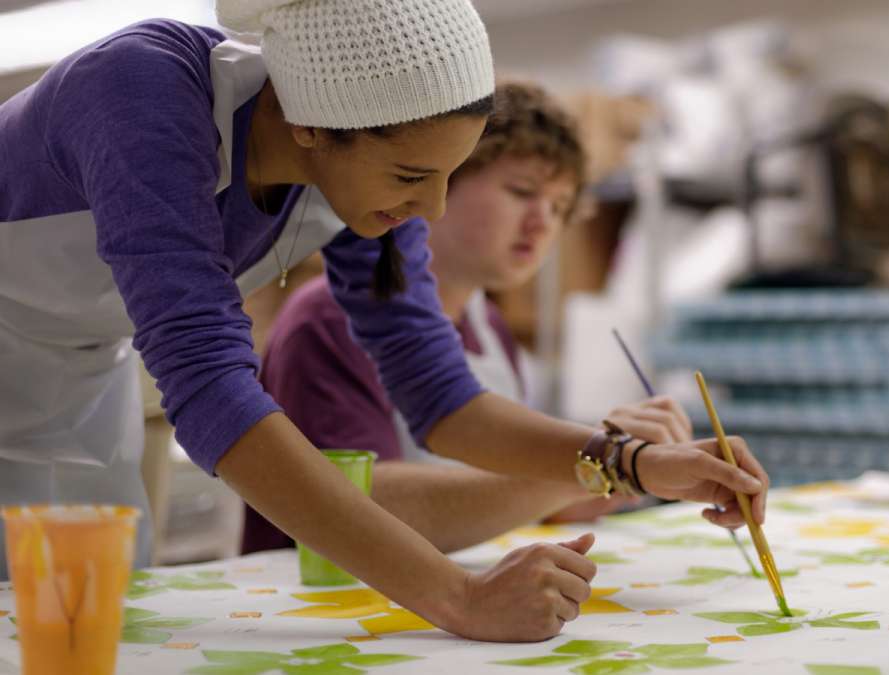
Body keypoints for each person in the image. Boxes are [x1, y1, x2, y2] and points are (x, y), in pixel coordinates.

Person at [0, 0, 768, 642]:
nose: (431, 209)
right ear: (309, 126)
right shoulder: (141, 92)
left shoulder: (363, 156)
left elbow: (441, 399)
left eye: (447, 176)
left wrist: (628, 460)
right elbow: (209, 387)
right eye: (412, 177)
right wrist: (456, 597)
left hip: (76, 372)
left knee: (85, 629)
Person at [241, 80, 694, 554]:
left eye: (560, 207)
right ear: (436, 175)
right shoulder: (331, 321)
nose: (543, 223)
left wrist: (604, 480)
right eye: (521, 192)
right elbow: (355, 511)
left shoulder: (489, 326)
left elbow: (507, 496)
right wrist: (595, 465)